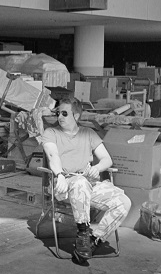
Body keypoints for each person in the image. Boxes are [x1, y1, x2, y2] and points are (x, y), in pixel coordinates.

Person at [40, 97, 131, 262]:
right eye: (58, 113)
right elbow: (53, 155)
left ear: (76, 115)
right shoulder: (51, 133)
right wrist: (59, 174)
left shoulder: (88, 133)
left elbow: (107, 159)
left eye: (64, 113)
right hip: (65, 184)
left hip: (88, 183)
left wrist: (97, 168)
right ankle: (82, 233)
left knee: (123, 202)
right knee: (80, 183)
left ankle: (93, 240)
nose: (59, 117)